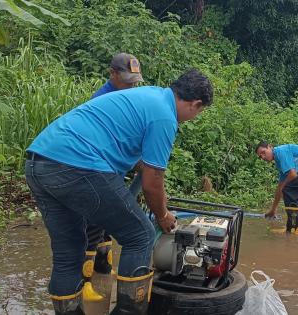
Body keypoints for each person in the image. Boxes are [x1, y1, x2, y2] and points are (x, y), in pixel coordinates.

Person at [25, 69, 213, 315]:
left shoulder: (149, 96)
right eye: (199, 112)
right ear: (196, 104)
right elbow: (152, 182)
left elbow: (135, 160)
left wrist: (141, 170)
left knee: (69, 250)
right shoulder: (165, 117)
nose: (194, 117)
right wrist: (163, 216)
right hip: (78, 164)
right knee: (140, 235)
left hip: (39, 162)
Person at [82, 53, 144, 302]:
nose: (131, 85)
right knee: (90, 228)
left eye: (134, 81)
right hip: (95, 173)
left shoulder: (126, 98)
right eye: (127, 80)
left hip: (114, 173)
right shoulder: (101, 101)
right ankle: (85, 284)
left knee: (104, 230)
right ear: (113, 74)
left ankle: (103, 272)